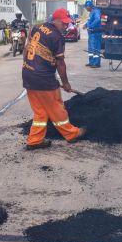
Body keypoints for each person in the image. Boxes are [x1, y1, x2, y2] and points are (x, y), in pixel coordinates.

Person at [22, 8, 86, 150]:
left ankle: (34, 140)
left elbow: (26, 48)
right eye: (63, 23)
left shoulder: (37, 27)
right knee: (57, 108)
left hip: (28, 75)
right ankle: (72, 134)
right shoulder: (57, 37)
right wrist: (65, 83)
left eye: (67, 24)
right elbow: (60, 63)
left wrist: (28, 66)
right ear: (55, 20)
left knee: (40, 112)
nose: (65, 27)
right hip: (44, 79)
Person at [82, 0, 102, 68]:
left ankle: (96, 63)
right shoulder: (91, 13)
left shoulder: (96, 11)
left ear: (89, 6)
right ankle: (91, 62)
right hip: (91, 34)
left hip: (95, 33)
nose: (86, 9)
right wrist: (85, 25)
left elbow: (97, 19)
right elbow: (89, 21)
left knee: (95, 48)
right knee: (91, 48)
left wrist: (90, 26)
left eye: (86, 7)